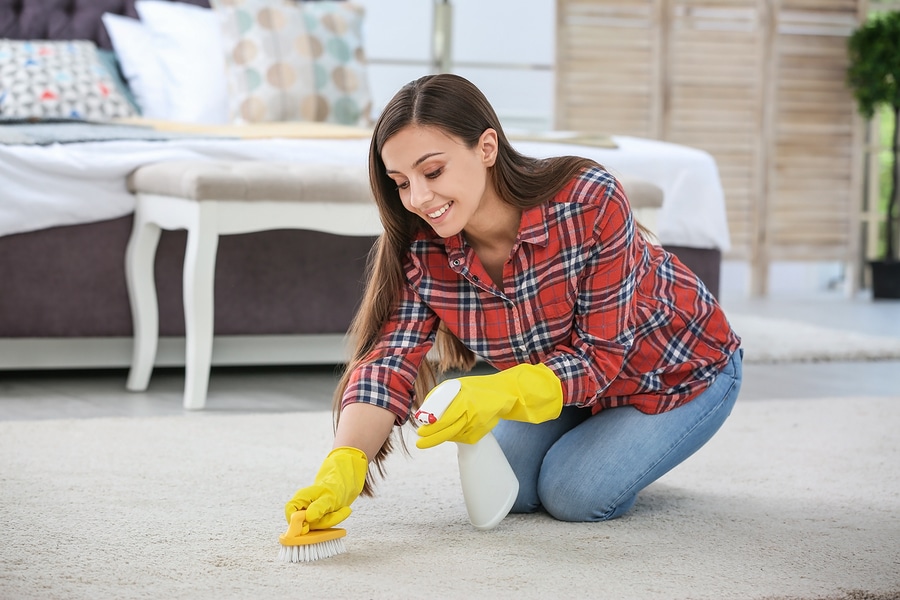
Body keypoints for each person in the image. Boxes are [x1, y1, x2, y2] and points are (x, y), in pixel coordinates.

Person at [284, 73, 742, 530]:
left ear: (486, 148)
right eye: (401, 182)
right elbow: (389, 360)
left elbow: (602, 359)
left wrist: (500, 391)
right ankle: (607, 443)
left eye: (433, 171)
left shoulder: (587, 198)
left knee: (572, 494)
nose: (418, 198)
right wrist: (344, 463)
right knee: (513, 492)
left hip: (678, 370)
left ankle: (635, 448)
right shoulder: (422, 247)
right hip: (568, 386)